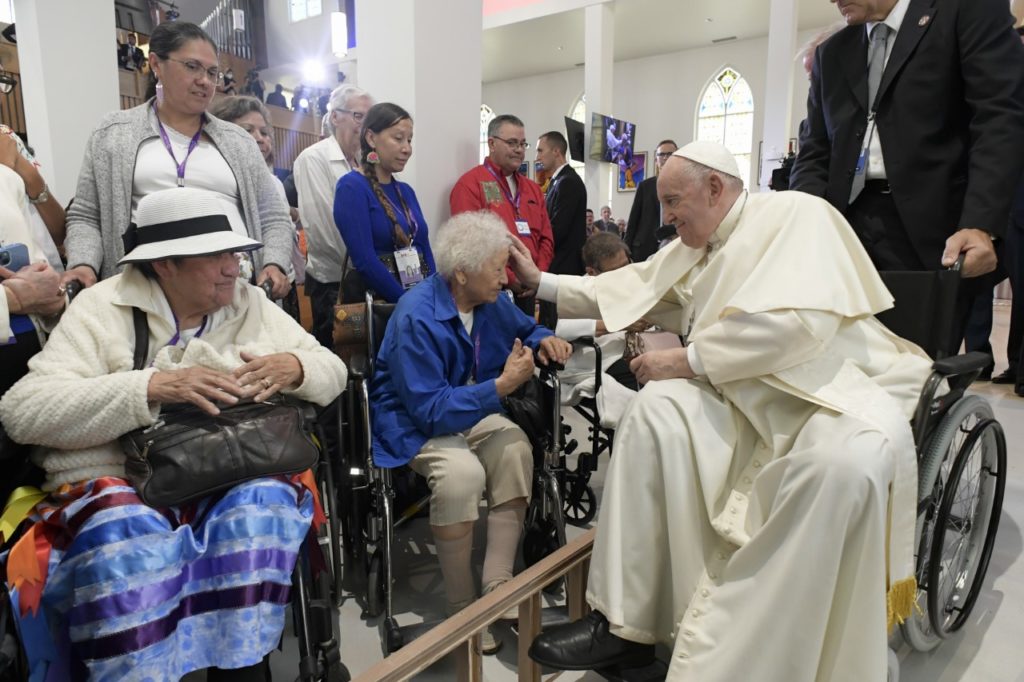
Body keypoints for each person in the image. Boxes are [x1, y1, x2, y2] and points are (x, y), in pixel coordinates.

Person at [513, 141, 933, 680]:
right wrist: (539, 281)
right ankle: (626, 625)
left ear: (714, 188)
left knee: (838, 473)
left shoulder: (796, 214)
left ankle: (783, 655)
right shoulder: (698, 243)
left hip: (830, 395)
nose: (664, 219)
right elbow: (631, 286)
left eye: (672, 202)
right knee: (654, 413)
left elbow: (799, 328)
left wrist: (687, 360)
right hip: (744, 398)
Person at [0, 187, 347, 681]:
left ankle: (242, 664)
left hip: (228, 471)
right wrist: (150, 388)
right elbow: (23, 411)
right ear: (164, 265)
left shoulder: (248, 303)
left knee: (262, 504)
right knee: (125, 529)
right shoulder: (103, 307)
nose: (234, 267)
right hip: (124, 480)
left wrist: (295, 366)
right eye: (217, 255)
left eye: (236, 253)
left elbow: (330, 369)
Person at [370, 209, 571, 654]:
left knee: (516, 448)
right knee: (462, 474)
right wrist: (500, 386)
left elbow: (529, 327)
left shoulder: (490, 302)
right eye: (498, 268)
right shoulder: (416, 317)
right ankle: (461, 607)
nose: (507, 278)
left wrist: (543, 340)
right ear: (461, 273)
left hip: (466, 405)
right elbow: (428, 411)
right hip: (412, 419)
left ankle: (497, 581)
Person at [789, 0, 1024, 352]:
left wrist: (980, 223)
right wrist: (807, 222)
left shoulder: (964, 12)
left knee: (916, 366)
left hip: (931, 234)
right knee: (836, 362)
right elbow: (815, 151)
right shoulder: (833, 52)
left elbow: (998, 120)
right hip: (844, 234)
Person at [62, 21, 294, 301]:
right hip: (144, 288)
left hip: (232, 287)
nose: (205, 80)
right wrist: (83, 263)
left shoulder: (238, 141)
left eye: (212, 72)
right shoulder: (113, 133)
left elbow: (273, 215)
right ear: (156, 65)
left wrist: (274, 262)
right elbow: (86, 214)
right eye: (192, 66)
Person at [208, 95, 304, 320]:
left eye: (264, 132)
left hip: (275, 279)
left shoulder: (275, 183)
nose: (259, 139)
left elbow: (278, 224)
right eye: (247, 130)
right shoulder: (217, 180)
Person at [293, 83, 374, 347]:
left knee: (368, 356)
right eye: (358, 116)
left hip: (368, 277)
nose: (364, 125)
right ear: (336, 116)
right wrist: (367, 263)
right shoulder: (314, 158)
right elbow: (324, 229)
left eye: (368, 118)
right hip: (335, 284)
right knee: (340, 361)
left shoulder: (367, 162)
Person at [450, 114, 554, 316]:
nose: (519, 150)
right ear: (491, 143)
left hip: (531, 288)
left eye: (523, 144)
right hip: (491, 292)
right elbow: (469, 242)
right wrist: (509, 278)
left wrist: (536, 276)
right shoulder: (470, 185)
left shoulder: (532, 188)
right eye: (512, 143)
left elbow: (546, 238)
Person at [333, 102, 434, 303]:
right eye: (398, 139)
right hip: (384, 303)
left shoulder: (406, 191)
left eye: (409, 140)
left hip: (419, 300)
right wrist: (407, 302)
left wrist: (433, 294)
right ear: (371, 138)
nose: (407, 148)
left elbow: (424, 248)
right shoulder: (352, 187)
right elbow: (365, 261)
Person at [536, 131, 586, 277]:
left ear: (556, 151)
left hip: (564, 266)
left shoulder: (568, 182)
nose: (537, 157)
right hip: (558, 263)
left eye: (540, 151)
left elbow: (557, 229)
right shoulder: (558, 180)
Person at [625, 139, 677, 262]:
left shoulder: (684, 187)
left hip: (672, 245)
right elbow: (633, 220)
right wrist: (626, 249)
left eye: (670, 154)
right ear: (656, 161)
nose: (665, 158)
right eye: (661, 155)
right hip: (644, 247)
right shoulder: (645, 186)